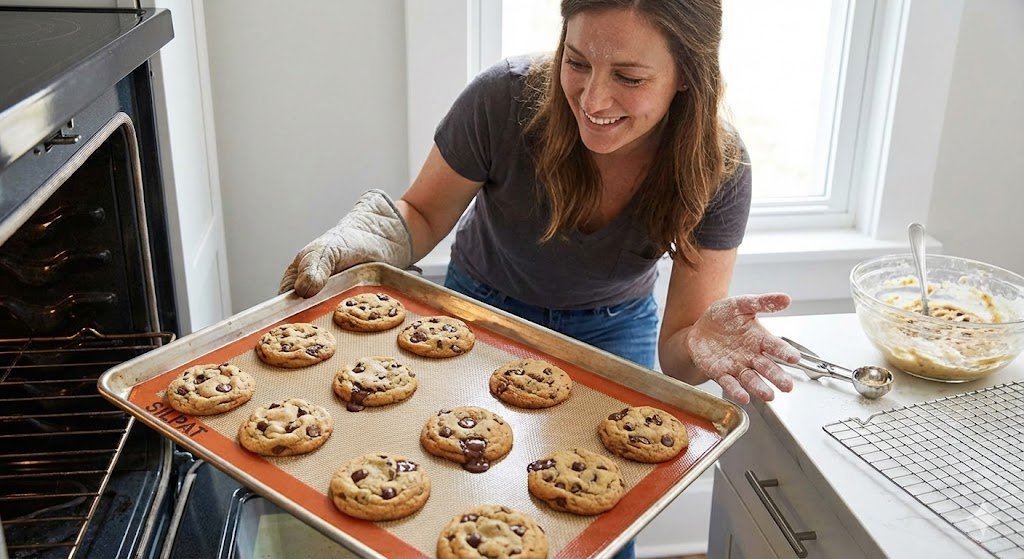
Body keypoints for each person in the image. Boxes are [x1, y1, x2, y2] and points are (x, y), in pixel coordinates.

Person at [280, 0, 801, 555]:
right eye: (576, 62)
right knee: (453, 492)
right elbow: (426, 213)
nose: (593, 99)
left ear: (687, 77)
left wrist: (698, 343)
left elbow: (677, 358)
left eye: (628, 76)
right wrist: (368, 234)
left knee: (596, 517)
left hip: (611, 333)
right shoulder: (503, 99)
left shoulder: (716, 166)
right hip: (476, 313)